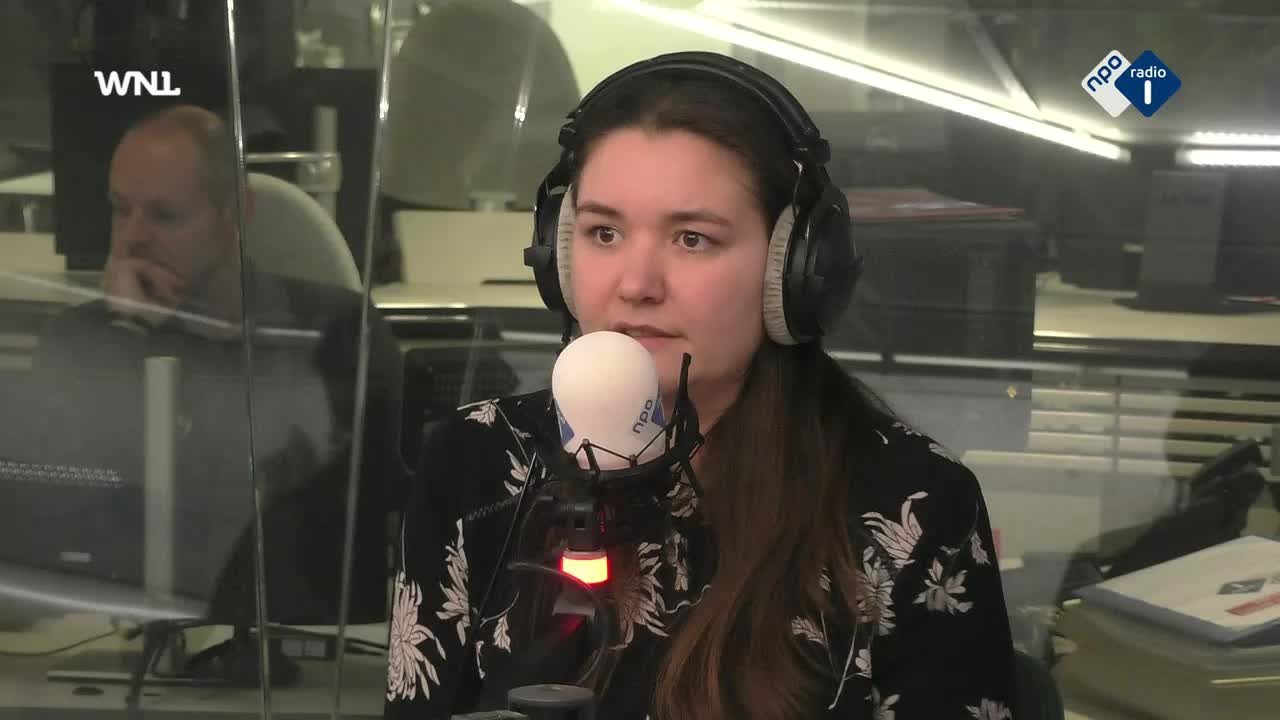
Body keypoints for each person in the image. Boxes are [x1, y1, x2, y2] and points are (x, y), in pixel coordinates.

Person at [385, 52, 1016, 719]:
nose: (635, 284)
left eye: (692, 239)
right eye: (604, 232)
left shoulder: (914, 503)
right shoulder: (478, 459)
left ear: (793, 271)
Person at [33, 104, 406, 626]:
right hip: (112, 641)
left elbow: (391, 514)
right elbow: (55, 523)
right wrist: (127, 337)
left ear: (235, 213)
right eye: (121, 209)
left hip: (292, 640)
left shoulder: (336, 336)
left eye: (163, 216)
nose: (133, 238)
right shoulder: (80, 342)